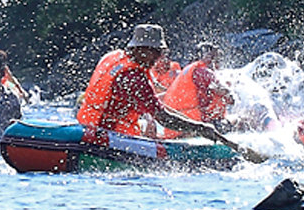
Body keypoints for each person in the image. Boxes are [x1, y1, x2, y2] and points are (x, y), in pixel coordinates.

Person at [76, 24, 234, 145]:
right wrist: (200, 128)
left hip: (86, 127)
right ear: (141, 49)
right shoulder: (134, 78)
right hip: (106, 138)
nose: (159, 57)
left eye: (160, 51)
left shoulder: (114, 57)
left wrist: (199, 125)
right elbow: (163, 118)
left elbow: (156, 107)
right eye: (156, 51)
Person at [162, 42, 235, 136]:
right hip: (191, 127)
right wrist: (229, 91)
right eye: (217, 60)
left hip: (174, 127)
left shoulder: (189, 70)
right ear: (209, 58)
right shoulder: (204, 72)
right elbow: (230, 99)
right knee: (238, 121)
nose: (218, 65)